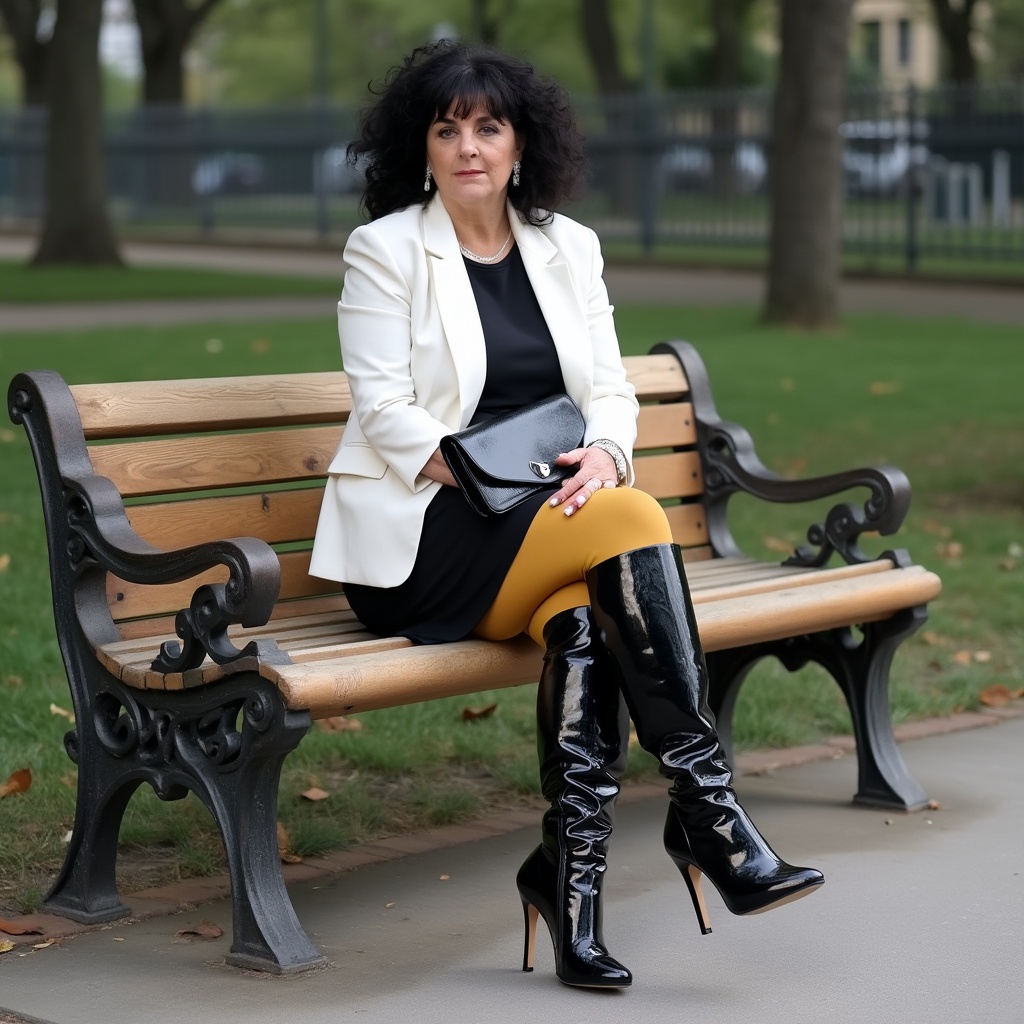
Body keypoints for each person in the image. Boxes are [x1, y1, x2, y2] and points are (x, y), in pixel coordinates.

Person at [310, 41, 823, 990]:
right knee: (628, 521)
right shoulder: (386, 251)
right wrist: (507, 482)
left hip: (552, 527)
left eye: (488, 127)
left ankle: (569, 883)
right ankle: (710, 815)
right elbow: (386, 414)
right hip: (430, 531)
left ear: (519, 144)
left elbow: (611, 393)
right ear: (419, 147)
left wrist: (606, 452)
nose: (469, 147)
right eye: (447, 127)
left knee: (591, 624)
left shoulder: (567, 246)